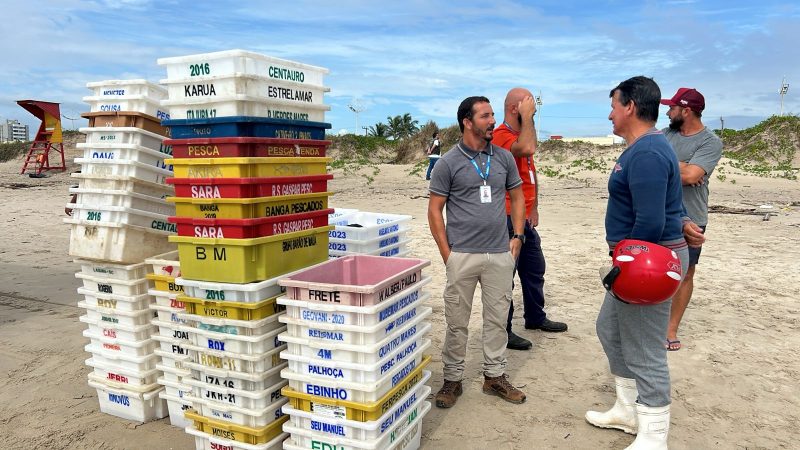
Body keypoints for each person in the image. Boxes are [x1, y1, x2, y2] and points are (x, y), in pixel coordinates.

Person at [585, 76, 691, 449]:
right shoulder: (645, 148)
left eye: (613, 106)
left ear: (630, 106)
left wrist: (629, 265)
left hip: (648, 262)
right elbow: (666, 204)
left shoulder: (647, 152)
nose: (610, 115)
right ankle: (628, 410)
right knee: (610, 330)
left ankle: (654, 436)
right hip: (638, 257)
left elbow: (650, 221)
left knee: (645, 348)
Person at [428, 96, 527, 408]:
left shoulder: (504, 158)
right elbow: (434, 210)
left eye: (493, 115)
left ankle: (494, 377)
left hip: (499, 253)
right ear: (467, 122)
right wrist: (448, 254)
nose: (492, 121)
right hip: (462, 254)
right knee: (457, 321)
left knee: (497, 320)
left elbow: (518, 197)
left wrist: (518, 236)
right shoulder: (448, 163)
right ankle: (452, 380)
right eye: (485, 116)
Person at [492, 87, 568, 351]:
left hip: (524, 217)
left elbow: (530, 175)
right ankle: (503, 329)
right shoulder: (501, 136)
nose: (533, 109)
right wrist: (527, 117)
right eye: (529, 105)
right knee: (506, 275)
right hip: (506, 217)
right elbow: (526, 148)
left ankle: (535, 317)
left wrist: (534, 207)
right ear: (515, 108)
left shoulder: (521, 134)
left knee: (534, 268)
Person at [660, 88, 723, 351]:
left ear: (686, 111)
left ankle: (670, 328)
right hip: (661, 212)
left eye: (672, 108)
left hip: (693, 216)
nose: (667, 112)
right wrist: (684, 165)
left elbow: (691, 176)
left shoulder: (710, 142)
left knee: (685, 273)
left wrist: (670, 165)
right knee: (655, 269)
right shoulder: (665, 135)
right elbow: (652, 162)